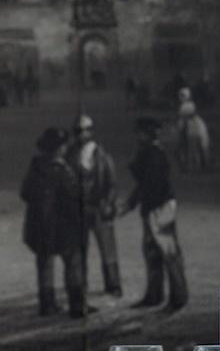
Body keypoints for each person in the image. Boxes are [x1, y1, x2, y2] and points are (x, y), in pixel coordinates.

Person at [119, 117, 188, 310]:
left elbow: (147, 184)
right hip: (156, 206)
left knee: (167, 251)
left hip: (159, 207)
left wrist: (132, 204)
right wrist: (132, 204)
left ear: (147, 135)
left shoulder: (153, 155)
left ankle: (177, 296)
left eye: (140, 133)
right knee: (154, 252)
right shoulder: (151, 153)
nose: (137, 136)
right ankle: (156, 294)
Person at [20, 127, 88, 318]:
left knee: (45, 265)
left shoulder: (36, 167)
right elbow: (75, 195)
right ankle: (77, 304)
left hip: (39, 225)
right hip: (62, 225)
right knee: (73, 262)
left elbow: (24, 193)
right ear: (59, 148)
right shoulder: (62, 170)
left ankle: (47, 304)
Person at [68, 114, 121, 298]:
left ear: (92, 132)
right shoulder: (70, 155)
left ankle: (113, 284)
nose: (82, 134)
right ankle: (80, 285)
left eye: (86, 130)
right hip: (78, 210)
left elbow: (112, 183)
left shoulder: (102, 155)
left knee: (108, 248)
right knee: (79, 251)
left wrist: (108, 202)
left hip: (99, 207)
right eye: (78, 131)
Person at [176, 87, 211, 171]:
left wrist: (180, 130)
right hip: (196, 128)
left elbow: (183, 120)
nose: (180, 98)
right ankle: (200, 165)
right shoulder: (190, 105)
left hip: (193, 129)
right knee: (198, 148)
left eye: (181, 96)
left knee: (194, 149)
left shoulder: (186, 106)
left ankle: (196, 166)